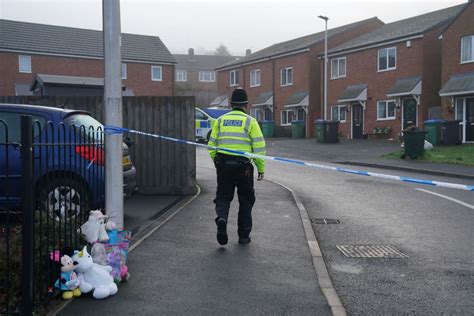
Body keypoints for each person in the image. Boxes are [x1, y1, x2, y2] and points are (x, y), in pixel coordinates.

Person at [208, 88, 266, 246]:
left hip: (224, 165)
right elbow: (259, 148)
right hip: (243, 167)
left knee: (223, 196)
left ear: (231, 104)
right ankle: (243, 236)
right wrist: (261, 168)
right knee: (246, 200)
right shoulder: (250, 121)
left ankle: (222, 218)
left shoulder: (220, 120)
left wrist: (217, 163)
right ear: (246, 105)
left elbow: (211, 145)